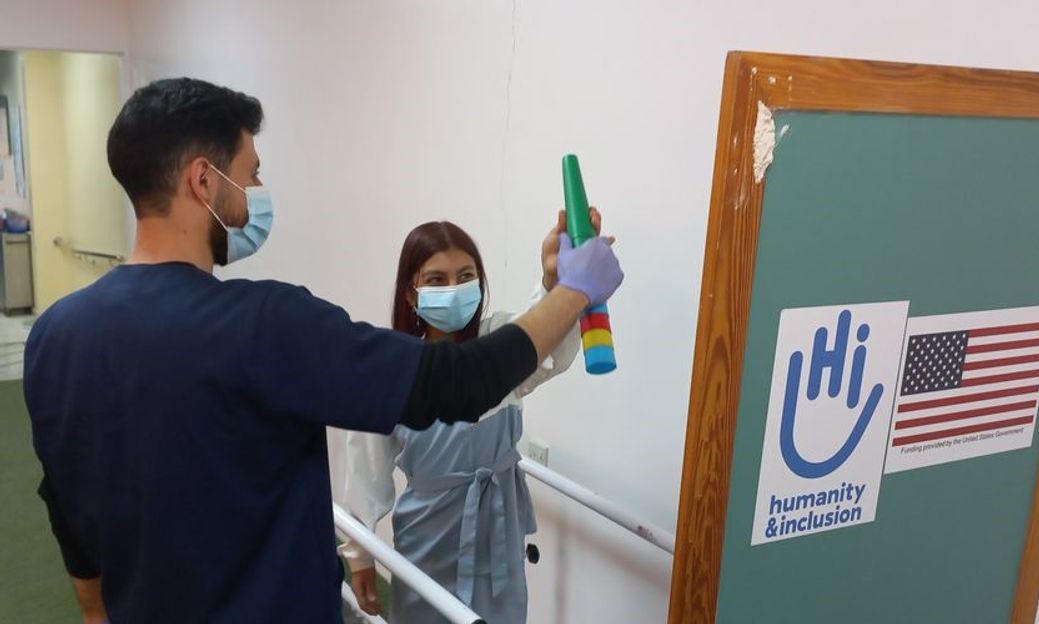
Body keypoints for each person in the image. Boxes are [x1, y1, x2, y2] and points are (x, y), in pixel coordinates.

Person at [23, 77, 624, 624]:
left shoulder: (55, 336)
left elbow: (68, 505)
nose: (258, 193)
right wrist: (575, 290)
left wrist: (97, 613)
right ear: (203, 180)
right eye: (251, 173)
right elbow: (456, 383)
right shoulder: (265, 324)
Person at [337, 216, 591, 623]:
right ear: (411, 292)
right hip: (429, 537)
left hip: (499, 529)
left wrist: (553, 282)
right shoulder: (394, 368)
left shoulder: (499, 347)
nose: (453, 289)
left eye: (465, 276)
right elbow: (366, 473)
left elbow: (544, 342)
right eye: (436, 280)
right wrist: (361, 556)